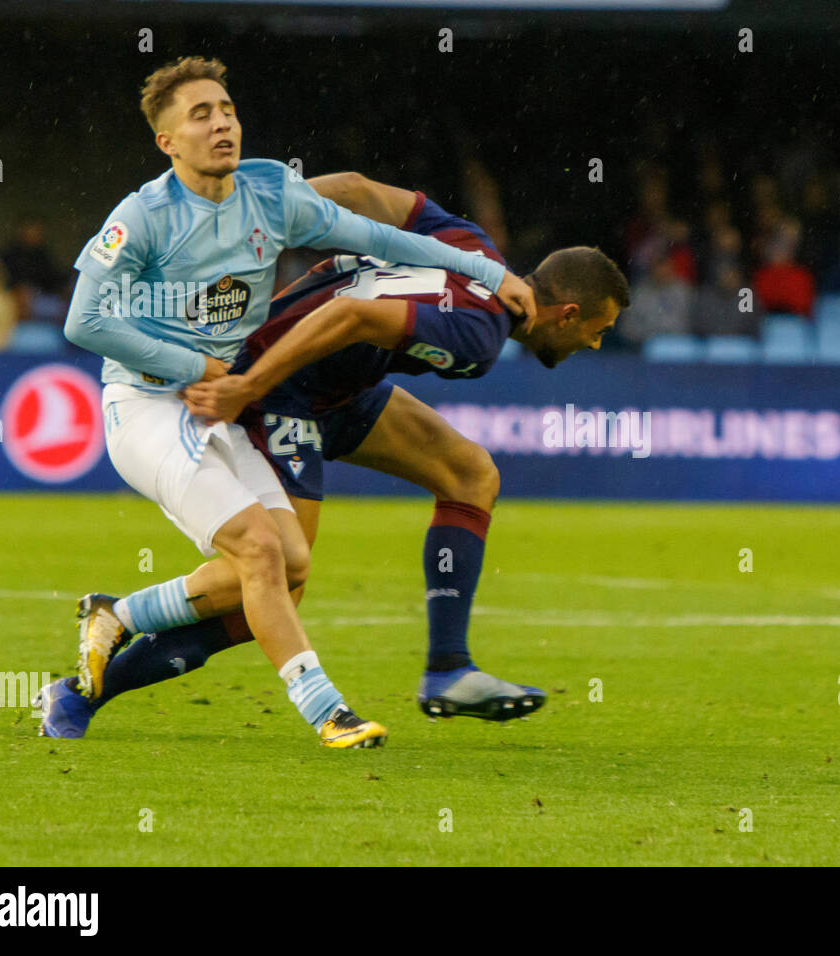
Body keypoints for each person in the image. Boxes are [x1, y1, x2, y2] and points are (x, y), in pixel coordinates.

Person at [52, 56, 535, 749]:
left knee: (291, 562)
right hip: (148, 405)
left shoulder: (270, 191)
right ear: (168, 142)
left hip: (222, 400)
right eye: (200, 115)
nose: (221, 123)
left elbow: (374, 236)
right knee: (256, 551)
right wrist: (196, 364)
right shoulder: (143, 216)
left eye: (226, 108)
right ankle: (328, 713)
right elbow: (84, 323)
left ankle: (118, 612)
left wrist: (490, 271)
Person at [37, 174, 628, 739]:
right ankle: (90, 678)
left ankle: (449, 669)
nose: (594, 345)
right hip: (282, 384)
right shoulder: (480, 339)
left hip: (341, 383)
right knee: (278, 582)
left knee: (470, 473)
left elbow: (355, 190)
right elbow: (351, 315)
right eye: (597, 331)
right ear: (568, 313)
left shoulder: (472, 245)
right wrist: (247, 383)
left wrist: (265, 209)